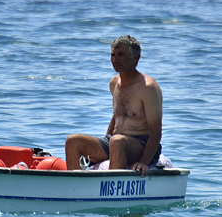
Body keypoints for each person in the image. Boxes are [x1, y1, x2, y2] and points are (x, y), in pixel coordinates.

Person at [65, 35, 162, 178]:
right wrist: (105, 141)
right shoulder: (114, 83)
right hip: (116, 142)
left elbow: (156, 130)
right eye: (113, 55)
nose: (115, 60)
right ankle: (75, 189)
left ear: (135, 58)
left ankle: (110, 191)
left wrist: (143, 161)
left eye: (121, 55)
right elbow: (117, 116)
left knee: (117, 141)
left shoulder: (148, 87)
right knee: (73, 141)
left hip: (141, 145)